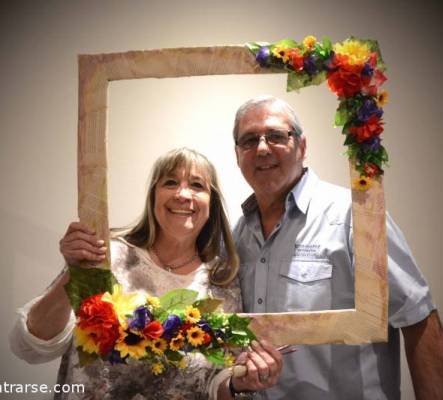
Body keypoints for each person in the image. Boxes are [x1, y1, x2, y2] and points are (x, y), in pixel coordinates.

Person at [10, 148, 282, 400]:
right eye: (170, 182)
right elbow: (29, 348)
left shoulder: (222, 284)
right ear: (153, 196)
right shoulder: (108, 257)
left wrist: (239, 383)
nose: (183, 194)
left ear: (212, 203)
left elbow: (215, 384)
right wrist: (74, 273)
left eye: (197, 185)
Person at [231, 96, 443, 399]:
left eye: (276, 136)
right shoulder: (236, 237)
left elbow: (418, 319)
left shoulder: (354, 216)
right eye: (248, 140)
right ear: (237, 154)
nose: (261, 148)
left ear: (302, 147)